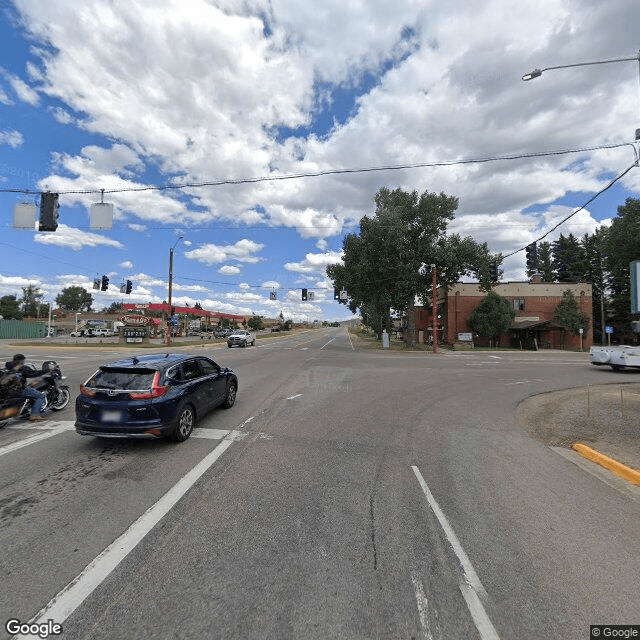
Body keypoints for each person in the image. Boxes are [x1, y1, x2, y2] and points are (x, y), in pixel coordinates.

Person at [3, 354, 47, 421]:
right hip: (19, 391)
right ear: (22, 361)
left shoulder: (7, 367)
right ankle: (34, 415)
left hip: (7, 391)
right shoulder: (22, 368)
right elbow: (34, 374)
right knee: (40, 396)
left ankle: (26, 410)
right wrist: (47, 370)